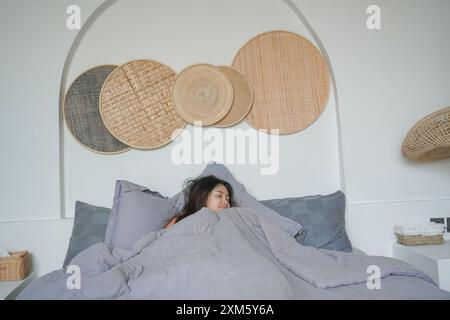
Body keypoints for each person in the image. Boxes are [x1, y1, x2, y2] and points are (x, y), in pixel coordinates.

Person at [164, 175, 234, 228]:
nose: (226, 202)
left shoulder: (230, 222)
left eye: (228, 199)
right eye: (219, 196)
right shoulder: (181, 220)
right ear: (203, 197)